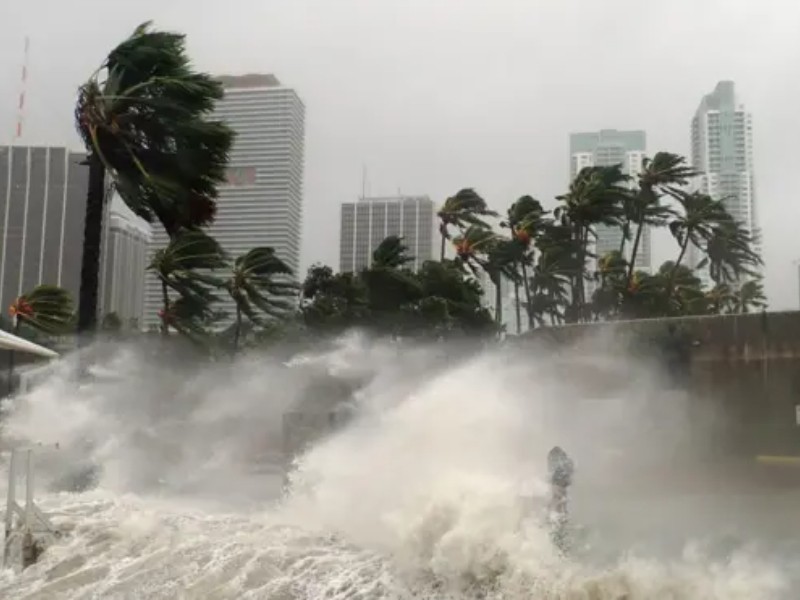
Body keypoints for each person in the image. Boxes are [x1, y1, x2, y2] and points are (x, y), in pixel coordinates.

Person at [547, 446, 574, 552]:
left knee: (558, 524)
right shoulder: (561, 477)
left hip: (557, 512)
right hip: (558, 513)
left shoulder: (556, 479)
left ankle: (559, 551)